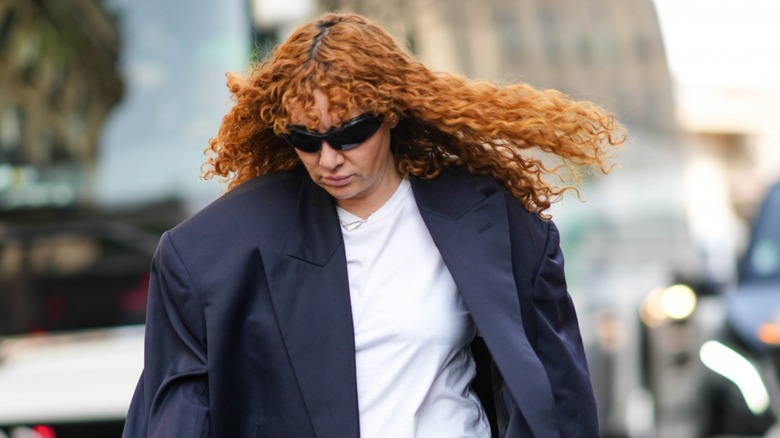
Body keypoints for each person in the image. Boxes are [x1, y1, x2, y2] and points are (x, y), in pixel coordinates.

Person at [123, 11, 625, 438]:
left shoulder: (489, 219)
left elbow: (560, 398)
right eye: (306, 139)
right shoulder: (212, 255)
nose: (328, 159)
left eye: (350, 133)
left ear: (389, 113)